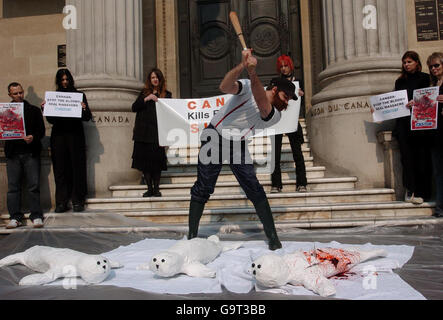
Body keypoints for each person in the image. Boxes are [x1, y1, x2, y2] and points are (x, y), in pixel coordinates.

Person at [188, 49, 296, 251]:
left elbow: (261, 103)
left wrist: (252, 72)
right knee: (204, 187)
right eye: (286, 96)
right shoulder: (246, 87)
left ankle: (272, 237)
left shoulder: (275, 115)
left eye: (289, 98)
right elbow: (224, 85)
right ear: (274, 89)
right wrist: (242, 66)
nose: (287, 102)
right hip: (215, 136)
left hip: (238, 144)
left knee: (254, 189)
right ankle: (191, 236)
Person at [44, 69, 92, 213]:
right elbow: (51, 120)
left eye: (67, 79)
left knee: (77, 167)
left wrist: (84, 109)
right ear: (59, 81)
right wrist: (45, 108)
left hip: (75, 136)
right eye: (62, 80)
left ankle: (78, 200)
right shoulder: (54, 96)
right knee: (60, 169)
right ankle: (61, 202)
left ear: (70, 80)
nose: (65, 82)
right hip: (59, 137)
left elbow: (87, 117)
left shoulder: (79, 95)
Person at [5, 82, 45, 229]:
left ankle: (36, 215)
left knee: (33, 186)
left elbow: (41, 131)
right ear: (10, 95)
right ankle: (15, 217)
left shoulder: (33, 110)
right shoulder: (5, 112)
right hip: (13, 154)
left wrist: (33, 137)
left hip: (31, 152)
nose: (19, 95)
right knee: (13, 187)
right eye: (15, 93)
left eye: (20, 92)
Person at [393, 51, 431, 205]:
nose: (406, 65)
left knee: (421, 158)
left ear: (416, 62)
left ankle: (422, 192)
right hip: (403, 124)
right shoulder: (400, 81)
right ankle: (410, 189)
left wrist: (417, 103)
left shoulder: (425, 78)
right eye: (404, 62)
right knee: (406, 158)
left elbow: (429, 99)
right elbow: (395, 102)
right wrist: (379, 109)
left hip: (420, 124)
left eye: (409, 62)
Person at [131, 68, 171, 197]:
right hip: (143, 133)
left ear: (160, 79)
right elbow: (134, 107)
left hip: (158, 133)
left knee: (157, 162)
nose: (155, 79)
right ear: (150, 80)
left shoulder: (167, 94)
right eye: (153, 77)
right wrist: (147, 98)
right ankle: (149, 189)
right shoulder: (144, 93)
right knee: (145, 163)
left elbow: (170, 112)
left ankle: (156, 189)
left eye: (157, 77)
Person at [271, 54, 307, 193]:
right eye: (281, 67)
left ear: (290, 66)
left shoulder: (298, 82)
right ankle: (276, 184)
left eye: (286, 66)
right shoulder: (275, 82)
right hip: (278, 121)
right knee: (275, 154)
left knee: (297, 153)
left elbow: (299, 103)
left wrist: (301, 95)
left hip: (292, 120)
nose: (284, 69)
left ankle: (301, 183)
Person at [426, 52, 443, 217]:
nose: (433, 69)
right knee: (438, 171)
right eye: (431, 66)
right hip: (436, 133)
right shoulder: (431, 86)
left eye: (436, 65)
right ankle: (440, 207)